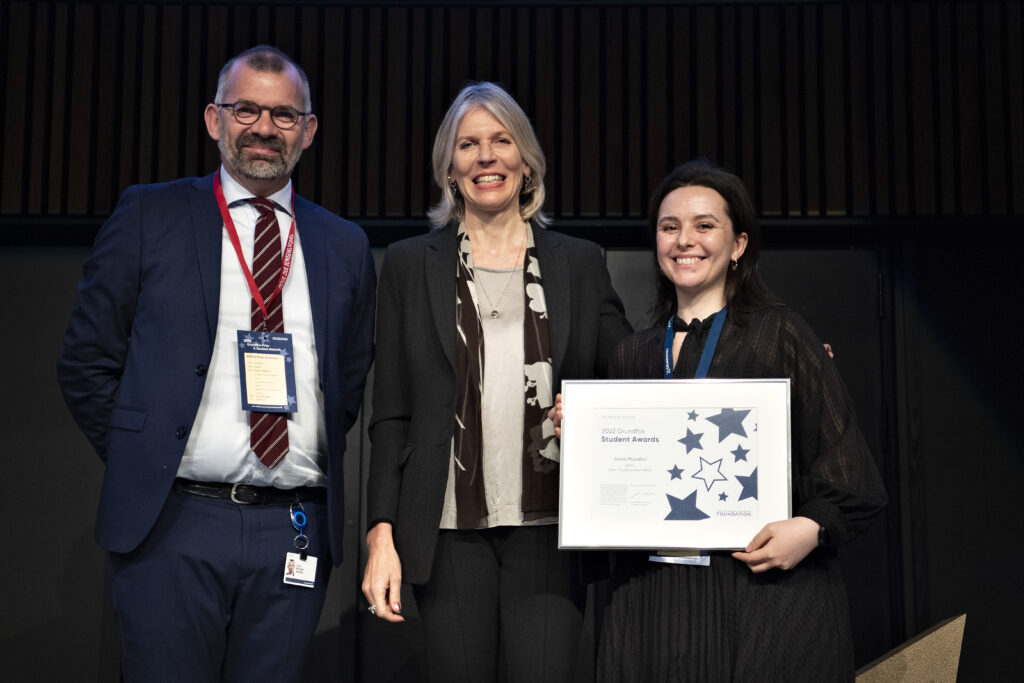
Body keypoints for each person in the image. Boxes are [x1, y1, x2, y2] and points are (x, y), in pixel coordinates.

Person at [56, 46, 375, 682]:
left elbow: (347, 385)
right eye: (246, 109)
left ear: (308, 131)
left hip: (293, 527)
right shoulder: (151, 214)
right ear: (213, 119)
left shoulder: (344, 244)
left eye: (284, 116)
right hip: (173, 522)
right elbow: (87, 361)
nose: (263, 128)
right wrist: (144, 457)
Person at [555, 159, 887, 681]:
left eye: (704, 225)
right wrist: (582, 442)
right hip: (653, 605)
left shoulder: (782, 336)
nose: (685, 240)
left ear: (738, 245)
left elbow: (854, 481)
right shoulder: (633, 356)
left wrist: (808, 529)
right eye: (670, 227)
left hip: (763, 600)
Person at [361, 82, 631, 682]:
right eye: (468, 145)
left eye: (502, 141)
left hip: (552, 525)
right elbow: (391, 414)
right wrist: (382, 535)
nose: (486, 157)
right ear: (449, 169)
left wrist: (739, 343)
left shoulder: (579, 262)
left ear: (526, 161)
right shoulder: (409, 264)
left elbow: (630, 367)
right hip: (446, 529)